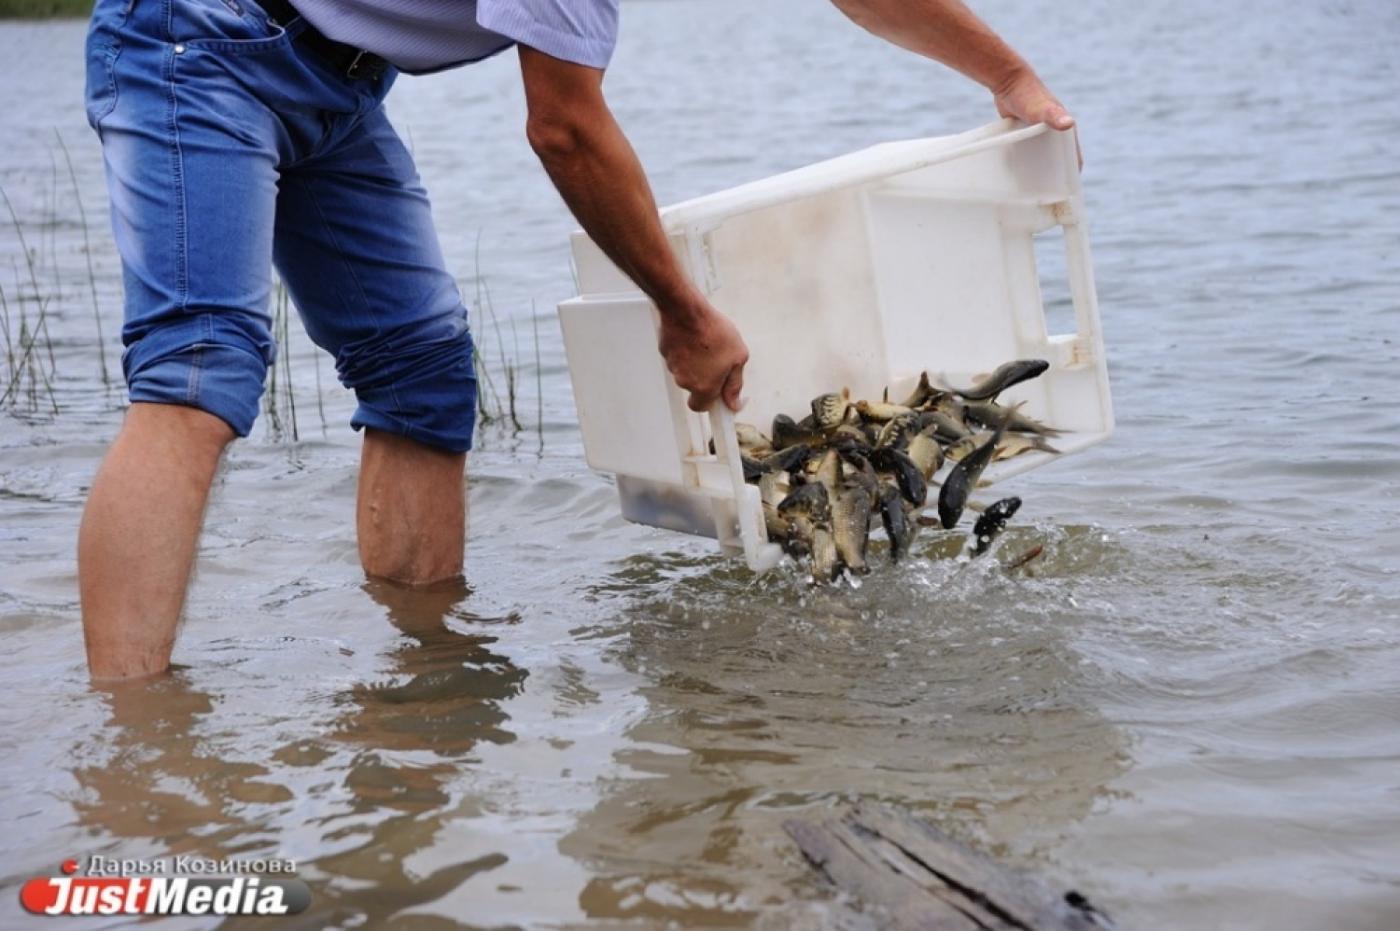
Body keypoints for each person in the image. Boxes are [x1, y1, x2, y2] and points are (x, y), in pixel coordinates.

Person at [78, 0, 1077, 680]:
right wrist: (685, 315)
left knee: (422, 376)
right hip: (198, 39)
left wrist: (1011, 76)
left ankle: (424, 671)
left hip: (336, 78)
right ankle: (129, 735)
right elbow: (561, 126)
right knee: (199, 371)